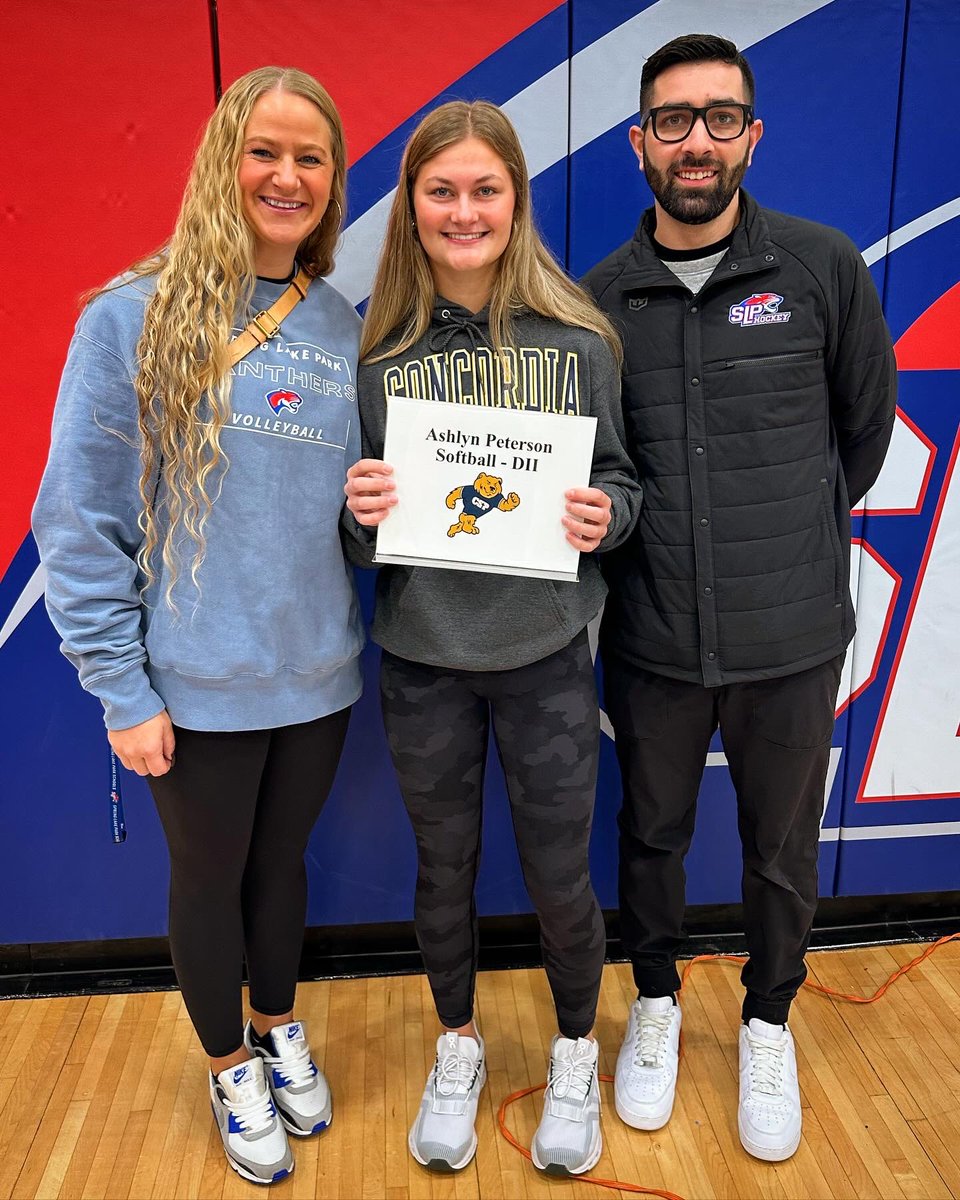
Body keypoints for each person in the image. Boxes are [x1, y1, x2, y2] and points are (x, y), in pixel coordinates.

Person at [32, 67, 364, 1186]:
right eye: (264, 151)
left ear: (332, 181)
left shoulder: (338, 321)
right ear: (223, 161)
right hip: (195, 682)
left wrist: (378, 514)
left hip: (318, 675)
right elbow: (78, 521)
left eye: (310, 158)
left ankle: (277, 1024)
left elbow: (336, 513)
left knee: (283, 869)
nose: (287, 176)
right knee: (209, 881)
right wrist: (122, 691)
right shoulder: (131, 314)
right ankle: (229, 1065)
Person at [583, 33, 897, 1162]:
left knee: (781, 850)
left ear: (752, 137)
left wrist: (790, 534)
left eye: (721, 118)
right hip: (654, 635)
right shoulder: (597, 300)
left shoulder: (822, 268)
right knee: (650, 837)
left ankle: (768, 1021)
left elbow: (861, 436)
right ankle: (655, 1004)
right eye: (674, 120)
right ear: (639, 143)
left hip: (791, 634)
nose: (697, 142)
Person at [343, 100, 640, 1177]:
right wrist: (359, 510)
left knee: (562, 878)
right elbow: (356, 523)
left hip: (546, 658)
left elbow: (622, 481)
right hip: (424, 661)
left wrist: (609, 516)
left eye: (484, 189)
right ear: (412, 207)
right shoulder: (378, 354)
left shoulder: (582, 340)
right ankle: (457, 1045)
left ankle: (575, 1053)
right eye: (441, 190)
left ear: (516, 201)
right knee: (444, 870)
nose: (463, 211)